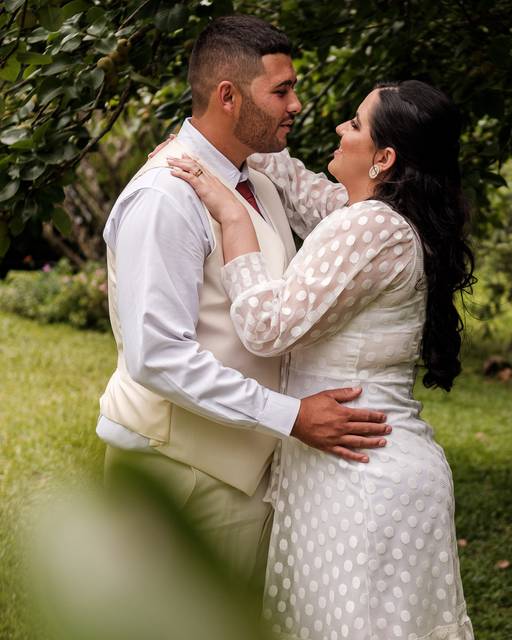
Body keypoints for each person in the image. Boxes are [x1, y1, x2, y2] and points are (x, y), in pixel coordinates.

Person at [166, 79, 475, 639]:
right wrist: (232, 132)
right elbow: (306, 191)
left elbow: (266, 327)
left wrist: (234, 219)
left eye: (355, 124)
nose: (338, 127)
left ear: (383, 158)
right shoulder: (380, 215)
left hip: (361, 476)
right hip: (356, 465)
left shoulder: (371, 226)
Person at [96, 15, 391, 599]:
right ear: (228, 97)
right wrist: (292, 416)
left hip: (238, 477)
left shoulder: (253, 173)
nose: (298, 105)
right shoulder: (167, 198)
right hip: (178, 479)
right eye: (280, 91)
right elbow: (158, 357)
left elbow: (353, 219)